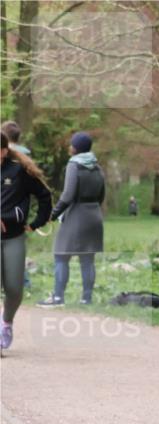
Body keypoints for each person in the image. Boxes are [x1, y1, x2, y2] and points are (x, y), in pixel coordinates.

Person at [37, 131, 105, 307]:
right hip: (95, 216)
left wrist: (51, 214)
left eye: (71, 144)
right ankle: (86, 299)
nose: (69, 147)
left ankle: (58, 298)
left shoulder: (74, 166)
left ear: (76, 148)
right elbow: (102, 195)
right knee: (87, 259)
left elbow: (67, 195)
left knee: (61, 255)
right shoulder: (98, 167)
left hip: (77, 216)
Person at [1, 132, 52, 351]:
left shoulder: (19, 170)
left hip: (13, 237)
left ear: (3, 152)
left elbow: (44, 196)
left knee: (14, 288)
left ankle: (6, 323)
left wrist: (36, 223)